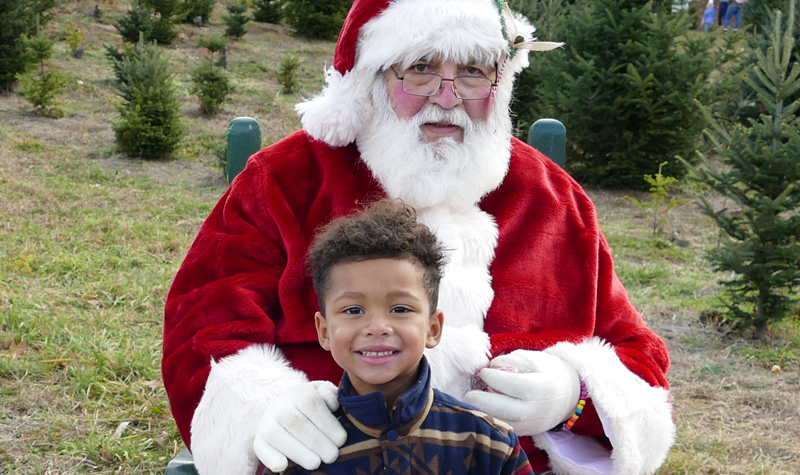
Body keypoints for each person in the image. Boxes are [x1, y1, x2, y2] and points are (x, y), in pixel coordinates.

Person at [161, 1, 676, 474]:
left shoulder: (549, 198)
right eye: (421, 68)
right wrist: (266, 405)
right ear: (373, 78)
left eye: (473, 71)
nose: (448, 97)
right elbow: (203, 329)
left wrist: (575, 395)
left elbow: (634, 352)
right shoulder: (287, 179)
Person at [263, 199, 534, 475]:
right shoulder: (298, 452)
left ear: (433, 328)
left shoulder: (491, 444)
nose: (378, 326)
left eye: (400, 309)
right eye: (354, 310)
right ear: (324, 331)